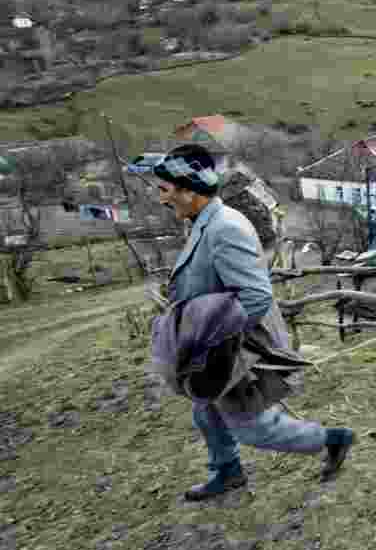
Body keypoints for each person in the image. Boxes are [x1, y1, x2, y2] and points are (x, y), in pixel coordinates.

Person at [150, 143, 355, 501]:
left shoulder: (225, 227)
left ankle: (333, 439)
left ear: (188, 189)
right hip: (220, 343)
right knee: (205, 410)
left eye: (166, 190)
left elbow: (256, 297)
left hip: (240, 349)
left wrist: (208, 340)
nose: (162, 199)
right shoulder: (203, 222)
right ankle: (227, 472)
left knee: (254, 428)